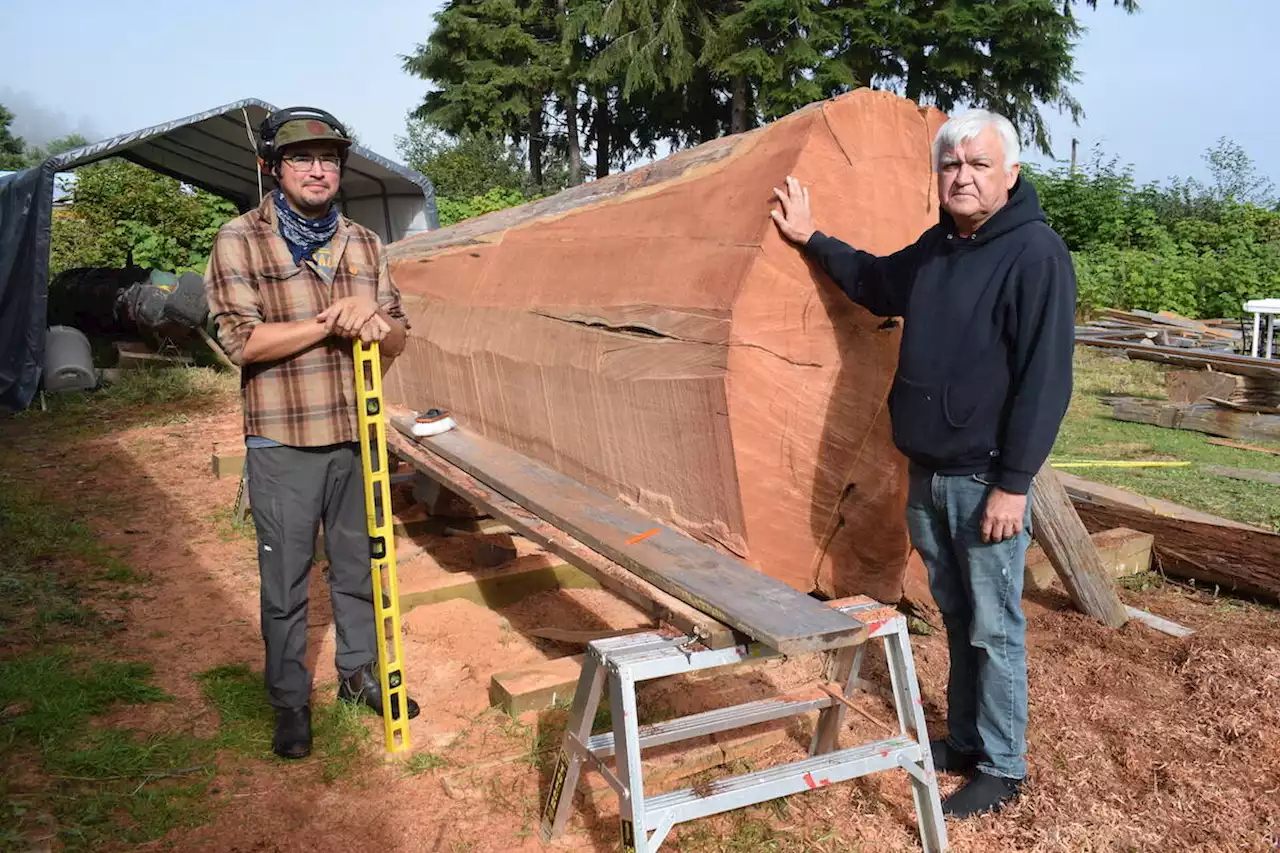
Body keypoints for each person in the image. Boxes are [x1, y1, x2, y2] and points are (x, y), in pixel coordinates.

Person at [770, 108, 1076, 817]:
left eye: (977, 165)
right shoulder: (941, 246)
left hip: (984, 478)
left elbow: (1046, 379)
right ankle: (966, 739)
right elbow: (877, 281)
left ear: (1011, 174)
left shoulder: (1035, 253)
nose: (962, 177)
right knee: (960, 611)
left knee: (995, 625)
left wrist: (1014, 483)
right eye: (951, 165)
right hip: (928, 474)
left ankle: (1003, 764)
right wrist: (811, 238)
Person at [205, 106, 420, 760]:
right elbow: (242, 342)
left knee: (359, 568)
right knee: (286, 583)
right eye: (302, 158)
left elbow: (398, 337)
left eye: (328, 157)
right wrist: (333, 321)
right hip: (281, 441)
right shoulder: (240, 239)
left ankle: (359, 674)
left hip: (356, 437)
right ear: (274, 167)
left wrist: (378, 326)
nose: (318, 168)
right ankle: (290, 700)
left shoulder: (362, 243)